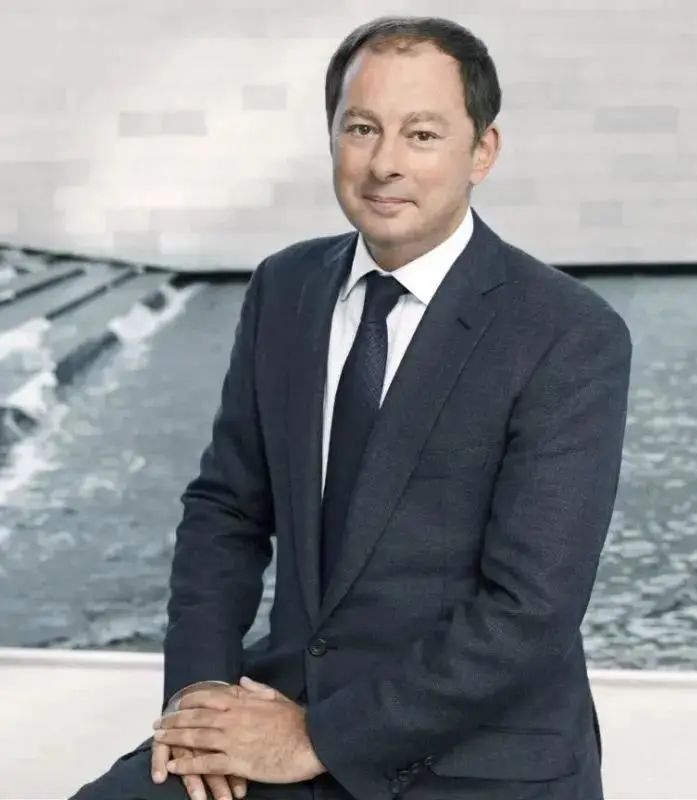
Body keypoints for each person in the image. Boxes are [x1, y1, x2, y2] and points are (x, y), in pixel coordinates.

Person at [70, 14, 631, 800]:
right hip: (282, 706)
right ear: (331, 137)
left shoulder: (566, 333)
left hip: (472, 754)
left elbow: (529, 610)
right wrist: (200, 696)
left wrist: (318, 739)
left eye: (422, 134)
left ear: (482, 152)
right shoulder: (285, 288)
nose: (384, 163)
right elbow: (226, 510)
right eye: (361, 128)